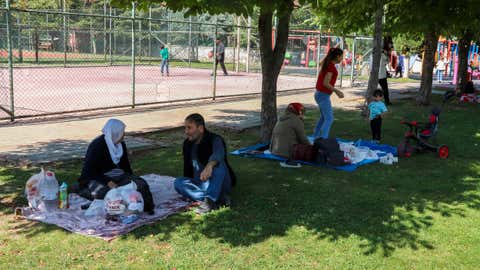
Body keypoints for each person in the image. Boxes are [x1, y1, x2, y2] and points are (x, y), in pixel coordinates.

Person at [73, 119, 155, 214]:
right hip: (97, 178)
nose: (124, 134)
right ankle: (81, 189)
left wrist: (132, 179)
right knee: (105, 193)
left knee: (141, 184)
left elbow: (125, 167)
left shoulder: (121, 145)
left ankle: (142, 207)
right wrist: (107, 181)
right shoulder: (97, 146)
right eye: (122, 132)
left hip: (118, 176)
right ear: (114, 133)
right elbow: (89, 172)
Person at [174, 113, 236, 214]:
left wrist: (209, 166)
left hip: (219, 182)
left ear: (201, 128)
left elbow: (219, 154)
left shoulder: (215, 139)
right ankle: (218, 198)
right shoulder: (187, 144)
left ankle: (210, 201)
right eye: (185, 128)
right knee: (178, 182)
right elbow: (188, 169)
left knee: (219, 165)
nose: (186, 132)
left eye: (189, 128)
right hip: (201, 184)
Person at [313, 47, 345, 139]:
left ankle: (316, 136)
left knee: (324, 117)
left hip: (320, 94)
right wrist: (337, 91)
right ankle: (323, 139)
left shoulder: (328, 64)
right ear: (337, 56)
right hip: (322, 95)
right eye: (341, 56)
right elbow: (325, 83)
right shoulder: (330, 67)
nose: (342, 58)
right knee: (329, 119)